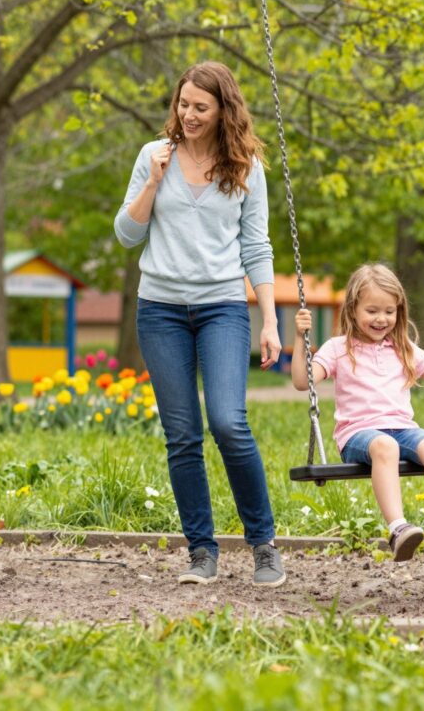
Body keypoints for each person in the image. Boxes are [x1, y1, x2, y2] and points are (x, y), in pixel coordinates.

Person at [114, 61, 285, 587]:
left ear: (223, 110)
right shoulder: (154, 156)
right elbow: (126, 234)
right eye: (183, 104)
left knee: (229, 423)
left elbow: (256, 247)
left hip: (222, 308)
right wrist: (154, 181)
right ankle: (201, 551)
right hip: (160, 310)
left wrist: (270, 321)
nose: (188, 114)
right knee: (182, 435)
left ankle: (263, 545)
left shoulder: (246, 167)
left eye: (200, 107)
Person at [292, 263, 424, 561]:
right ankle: (398, 529)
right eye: (372, 311)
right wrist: (299, 338)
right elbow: (301, 381)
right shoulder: (337, 348)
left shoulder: (402, 347)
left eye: (389, 311)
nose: (381, 319)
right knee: (385, 445)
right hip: (358, 434)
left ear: (399, 311)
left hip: (402, 429)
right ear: (353, 309)